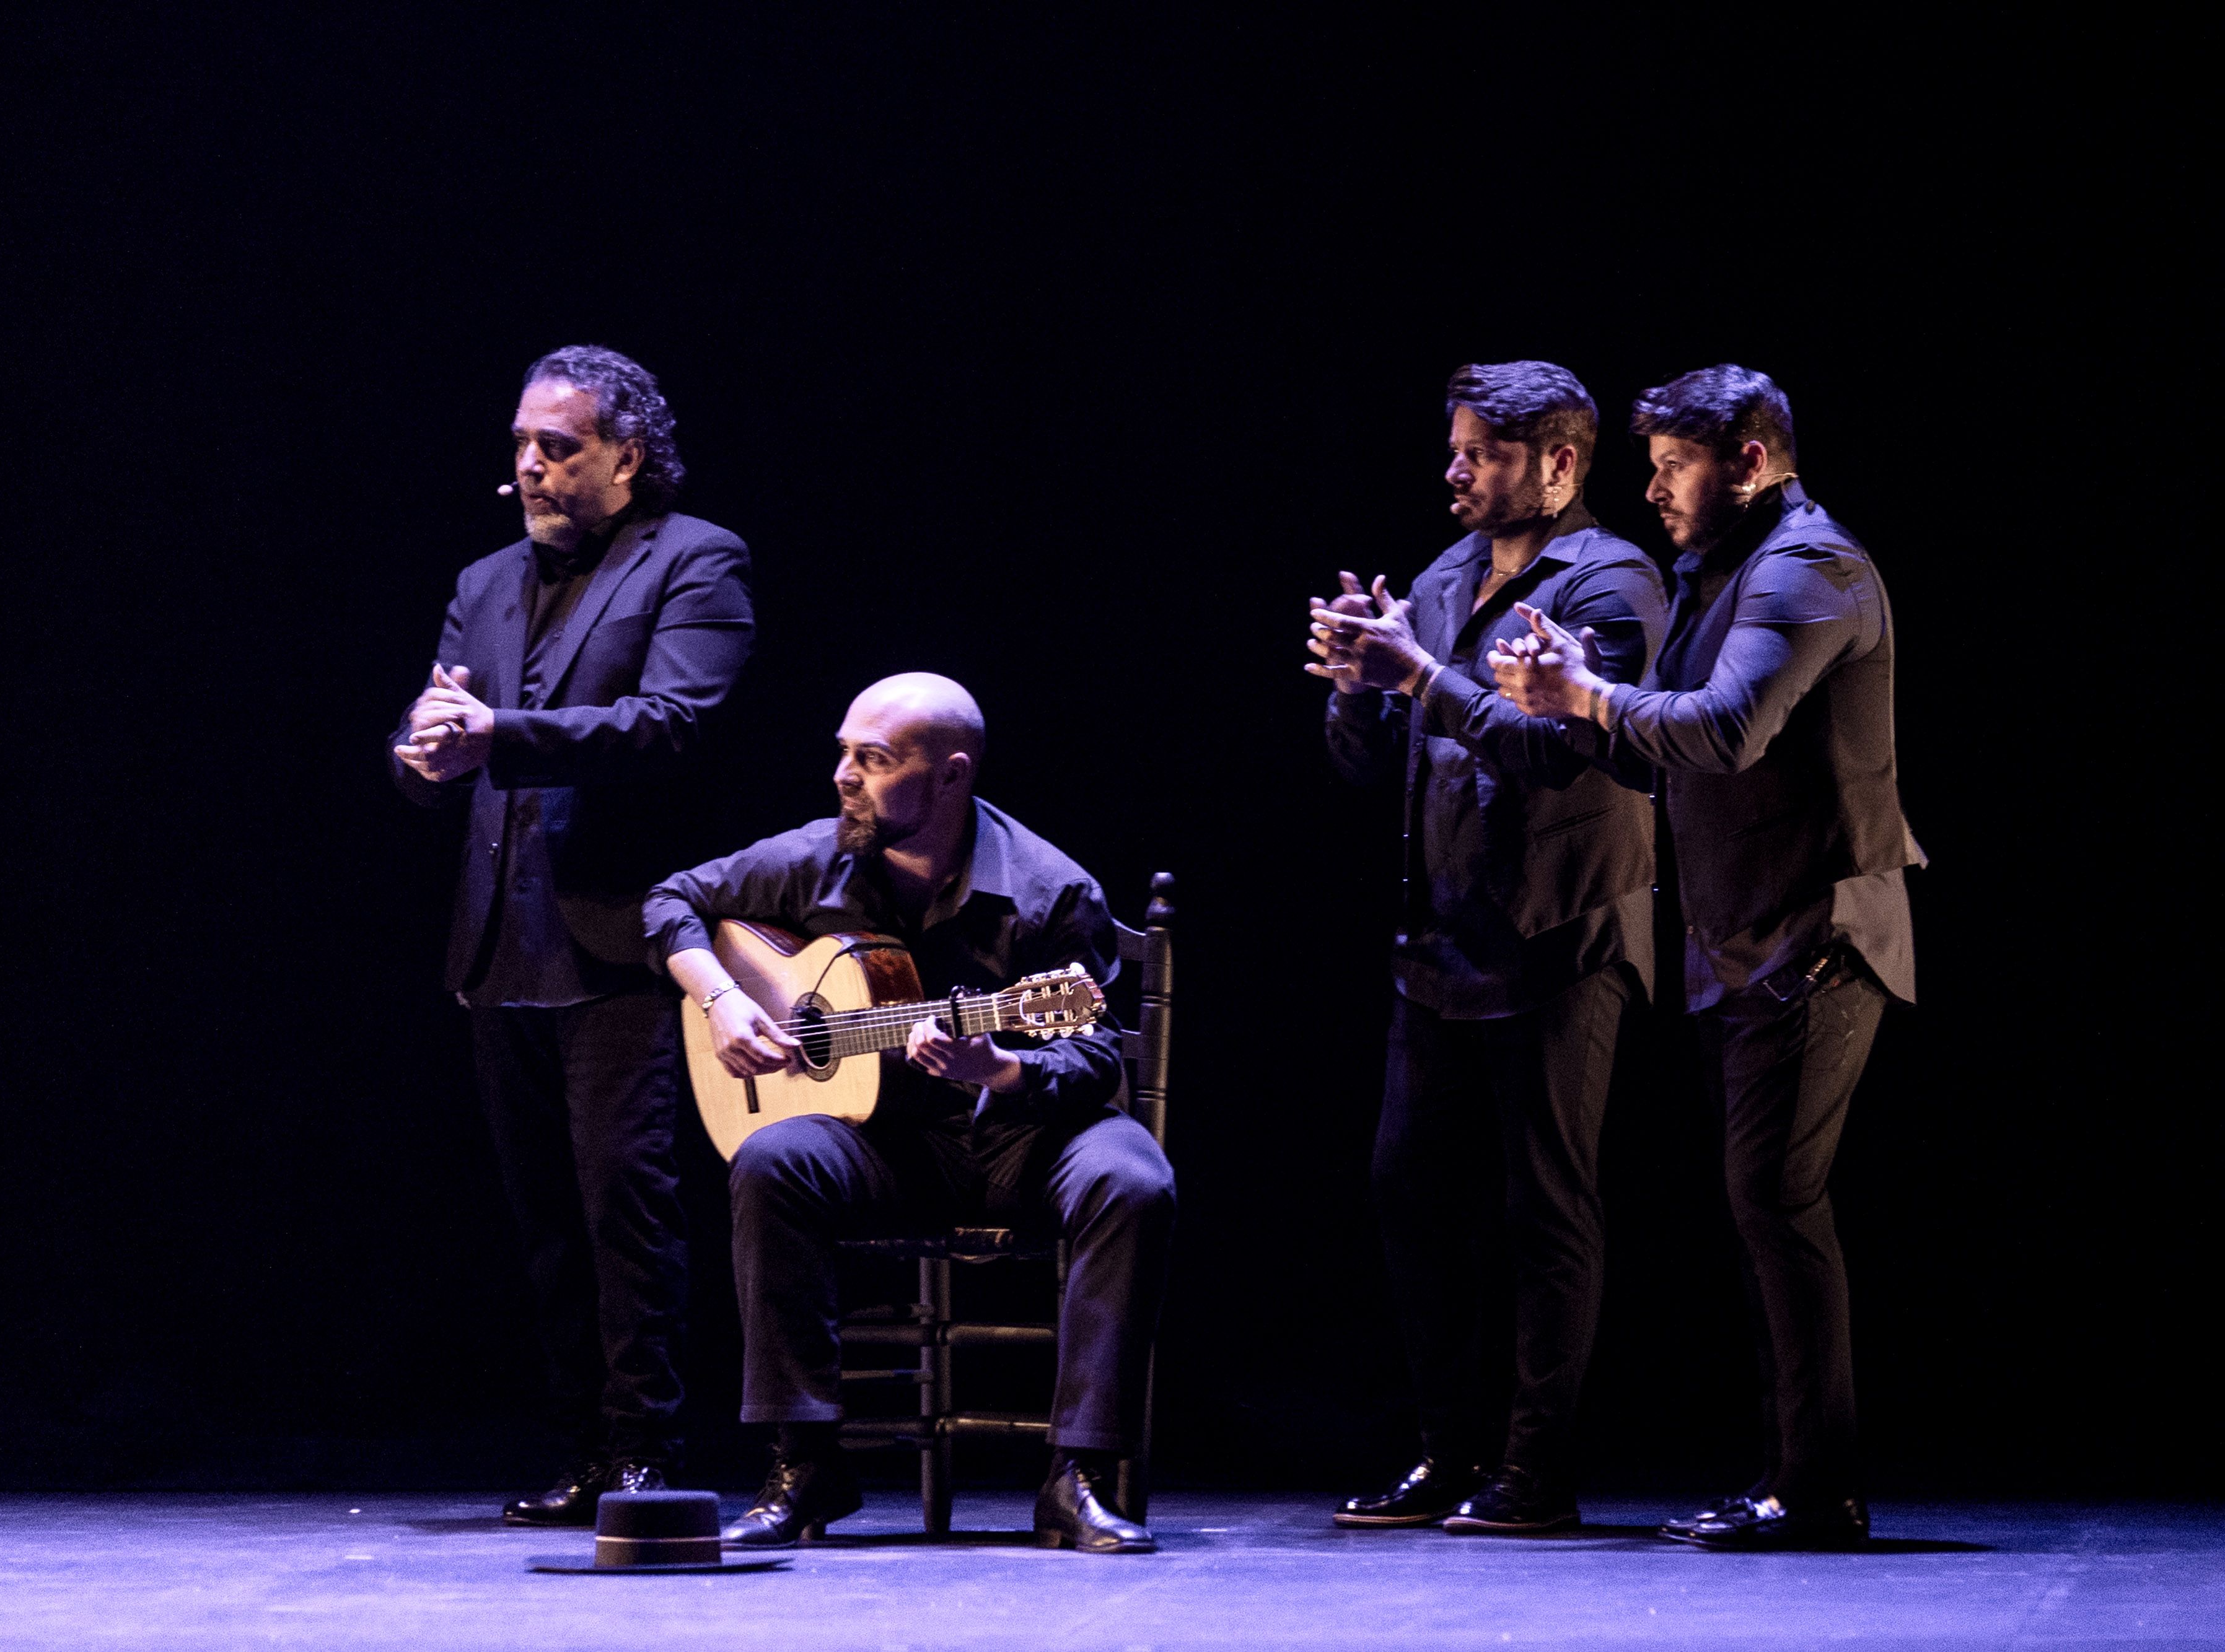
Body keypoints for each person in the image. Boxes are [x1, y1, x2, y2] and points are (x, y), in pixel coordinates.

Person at [1491, 364, 1920, 1549]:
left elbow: (1728, 731)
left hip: (1818, 933)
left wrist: (1589, 696)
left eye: (1674, 466)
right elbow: (1660, 751)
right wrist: (1561, 703)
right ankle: (1804, 1478)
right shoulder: (1726, 567)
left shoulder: (1807, 567)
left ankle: (1819, 1488)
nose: (1655, 489)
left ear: (1749, 459)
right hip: (1751, 936)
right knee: (1767, 1203)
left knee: (1777, 1199)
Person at [643, 673, 1175, 1555]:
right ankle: (806, 1462)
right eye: (845, 753)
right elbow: (672, 900)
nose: (845, 776)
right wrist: (723, 1000)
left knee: (1135, 1178)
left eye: (876, 760)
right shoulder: (816, 859)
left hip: (1022, 1139)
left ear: (952, 775)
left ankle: (1076, 1476)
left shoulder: (1049, 889)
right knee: (772, 1160)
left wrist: (1002, 1066)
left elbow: (1087, 1053)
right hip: (887, 1142)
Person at [389, 346, 755, 1524]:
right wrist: (426, 751)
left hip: (623, 941)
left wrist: (501, 732)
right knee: (544, 1218)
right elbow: (446, 726)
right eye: (521, 445)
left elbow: (669, 727)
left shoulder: (696, 560)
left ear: (627, 458)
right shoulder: (484, 579)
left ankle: (648, 1446)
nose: (531, 467)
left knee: (624, 1208)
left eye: (559, 447)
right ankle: (582, 1447)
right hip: (502, 939)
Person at [1304, 362, 1669, 1535]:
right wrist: (1363, 684)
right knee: (1409, 1193)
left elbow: (1564, 749)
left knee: (1543, 1209)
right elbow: (1376, 765)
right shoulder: (1449, 573)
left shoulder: (1613, 580)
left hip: (1559, 935)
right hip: (1441, 942)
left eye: (1483, 454)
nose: (1453, 471)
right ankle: (1446, 1453)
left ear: (1559, 466)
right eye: (1454, 448)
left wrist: (1424, 676)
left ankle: (1534, 1469)